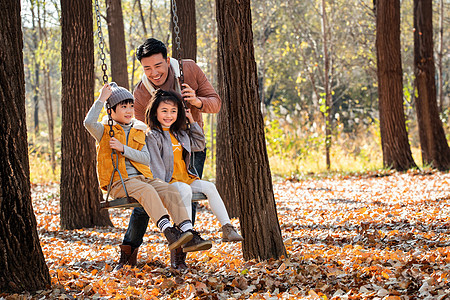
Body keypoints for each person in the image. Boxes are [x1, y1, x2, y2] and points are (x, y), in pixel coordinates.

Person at [84, 82, 212, 271]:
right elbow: (88, 122)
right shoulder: (104, 130)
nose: (129, 111)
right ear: (111, 111)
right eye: (123, 107)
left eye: (131, 106)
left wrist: (123, 149)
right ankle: (169, 232)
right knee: (147, 190)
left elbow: (145, 158)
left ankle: (187, 231)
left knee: (169, 190)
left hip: (142, 178)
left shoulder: (138, 130)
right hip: (119, 182)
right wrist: (102, 98)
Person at [119, 38, 222, 270]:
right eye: (147, 68)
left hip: (190, 149)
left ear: (167, 60)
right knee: (144, 202)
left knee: (187, 201)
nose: (153, 72)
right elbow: (137, 128)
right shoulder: (142, 92)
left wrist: (196, 101)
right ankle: (128, 255)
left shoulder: (189, 70)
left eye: (158, 65)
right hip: (157, 153)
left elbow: (216, 103)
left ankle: (179, 258)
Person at [146, 89, 243, 271]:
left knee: (209, 186)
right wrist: (162, 188)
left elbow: (199, 144)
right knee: (184, 190)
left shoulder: (180, 133)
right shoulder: (153, 135)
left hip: (186, 177)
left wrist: (192, 122)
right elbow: (155, 165)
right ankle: (185, 240)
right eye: (164, 111)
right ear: (155, 112)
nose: (169, 115)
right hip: (169, 182)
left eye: (173, 111)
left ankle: (227, 228)